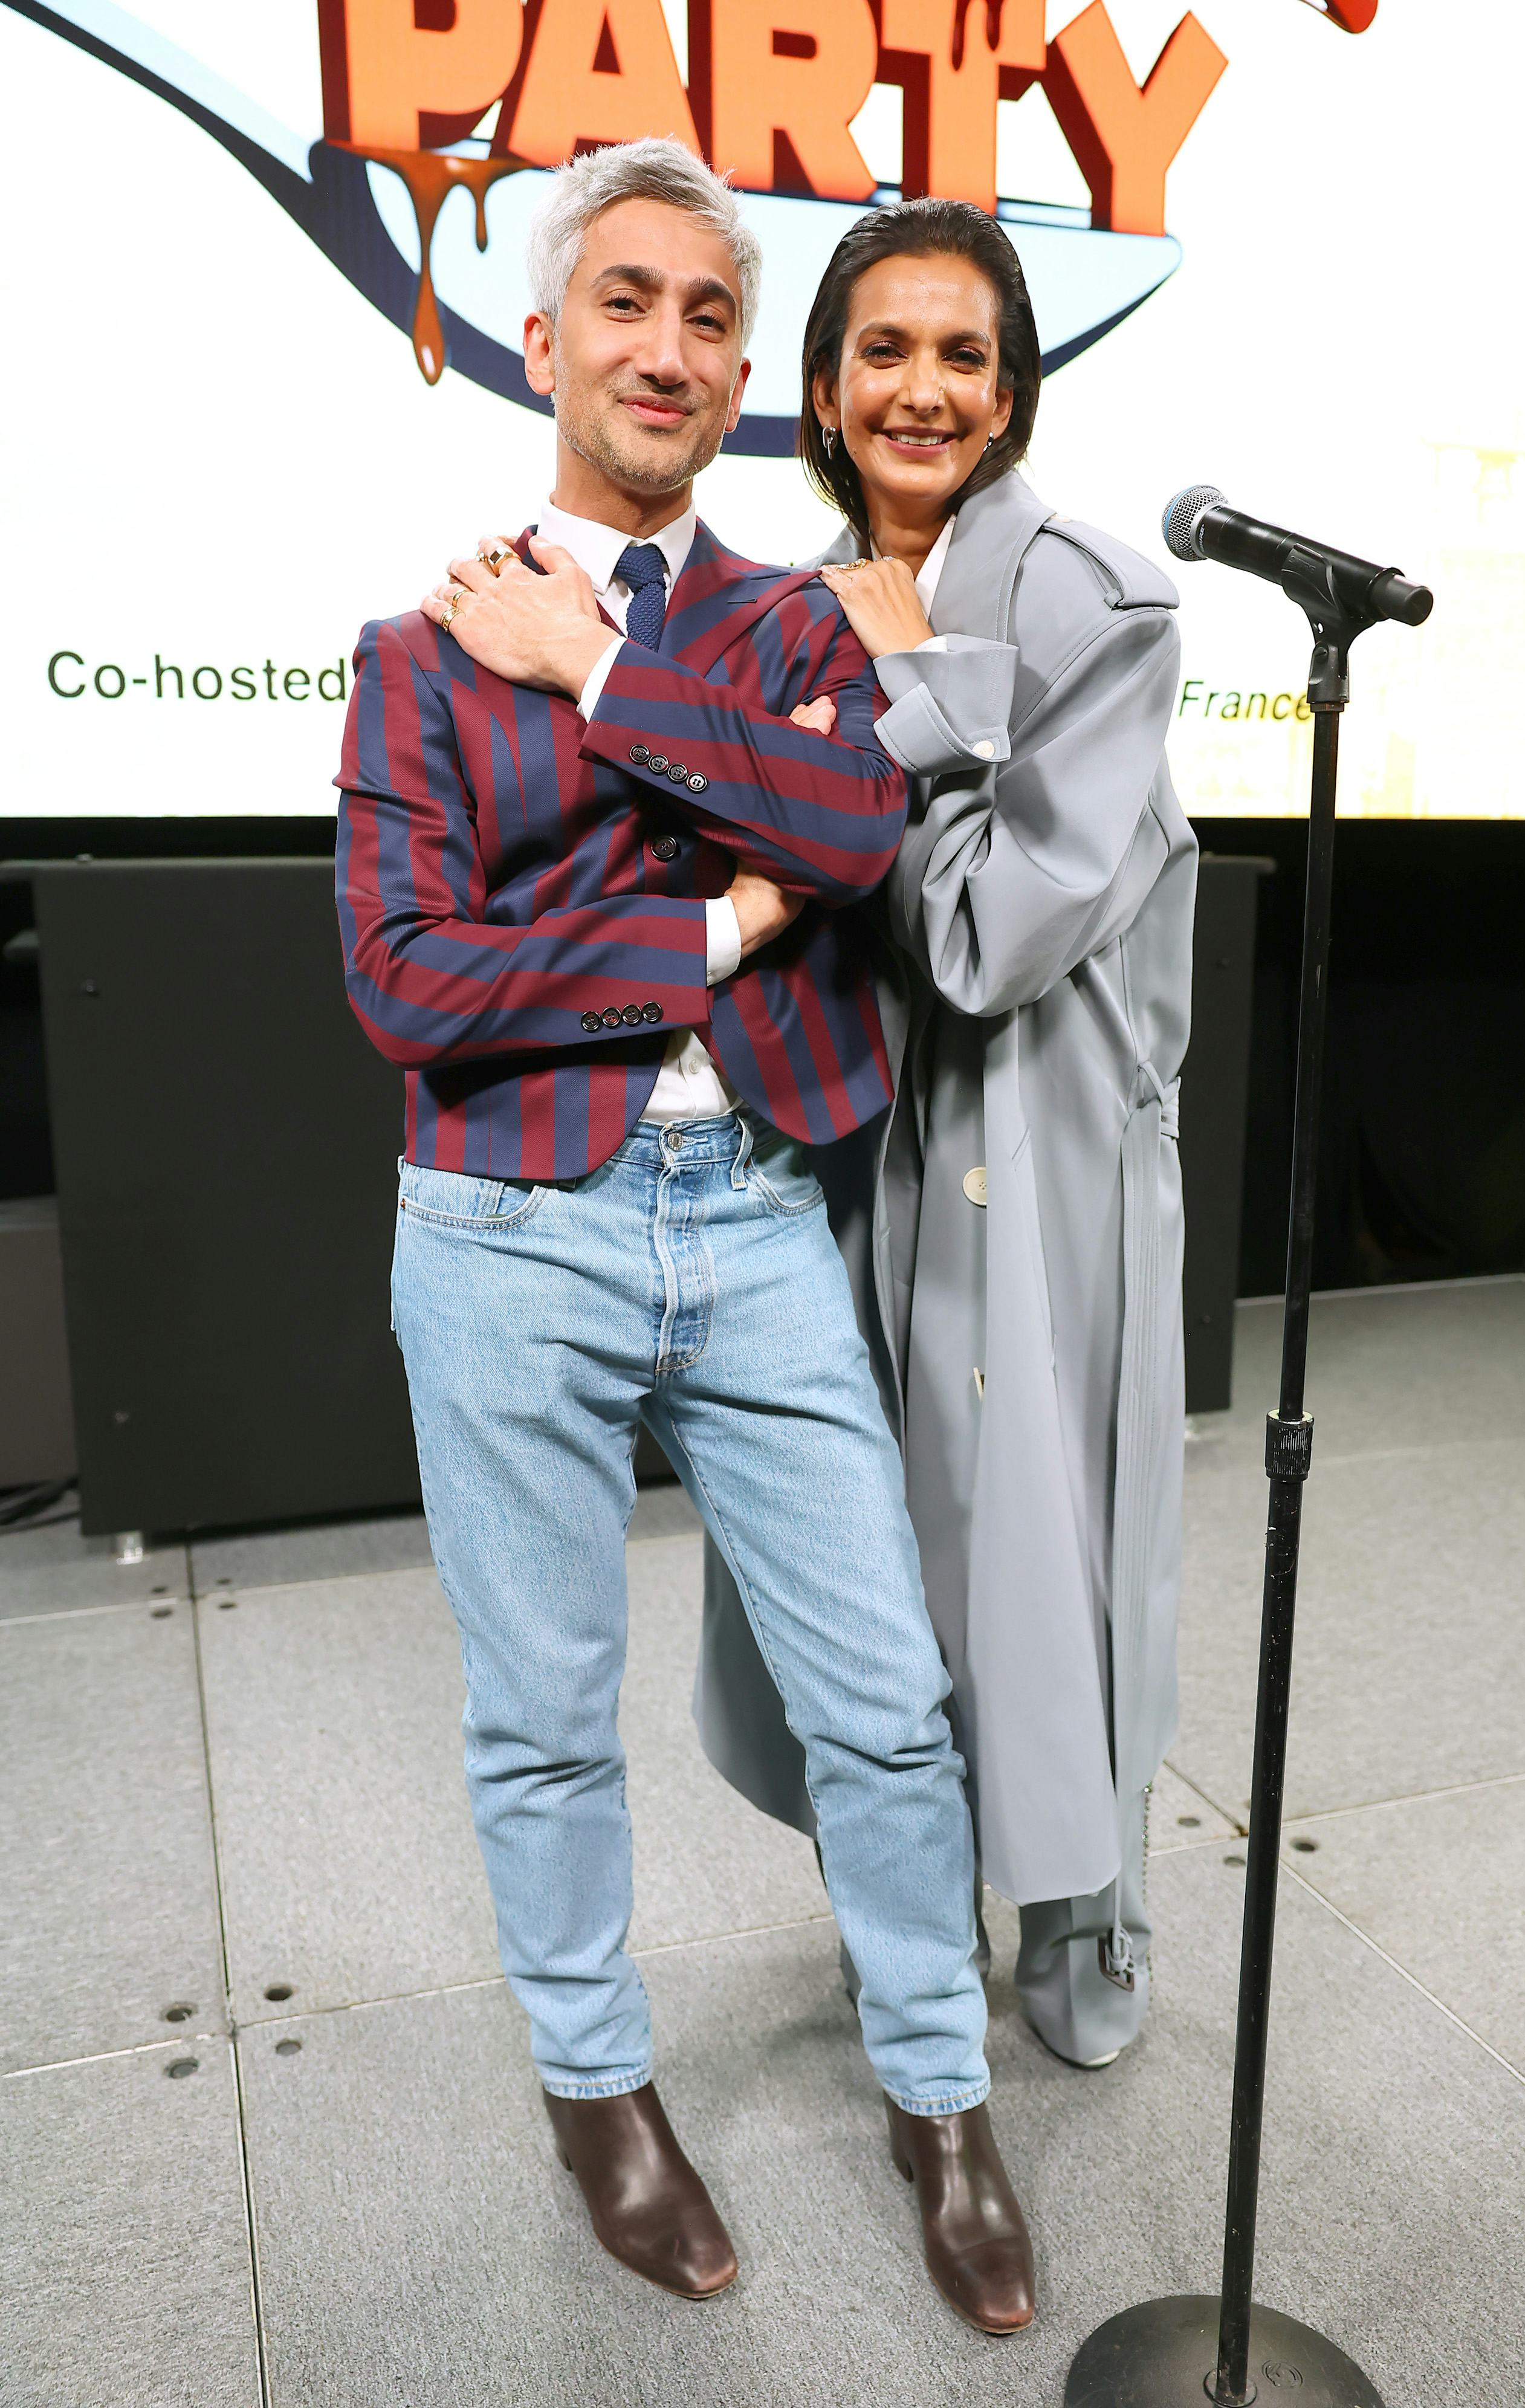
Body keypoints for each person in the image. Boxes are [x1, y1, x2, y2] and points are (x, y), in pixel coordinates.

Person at [334, 141, 1035, 2334]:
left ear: (745, 371)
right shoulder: (415, 650)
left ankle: (944, 2097)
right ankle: (598, 2092)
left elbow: (853, 815)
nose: (667, 346)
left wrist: (606, 678)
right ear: (544, 346)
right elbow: (412, 987)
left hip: (750, 1222)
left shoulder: (794, 621)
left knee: (893, 1710)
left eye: (710, 317)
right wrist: (718, 918)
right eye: (624, 303)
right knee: (544, 1714)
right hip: (505, 1226)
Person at [698, 198, 1197, 2071]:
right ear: (819, 388)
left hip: (1037, 1159)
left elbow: (991, 936)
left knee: (1053, 1548)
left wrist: (913, 694)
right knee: (856, 1552)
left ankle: (1087, 1928)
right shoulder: (788, 594)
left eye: (963, 354)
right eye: (882, 352)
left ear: (1013, 389)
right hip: (845, 1148)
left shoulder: (1090, 593)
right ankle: (908, 1913)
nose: (922, 389)